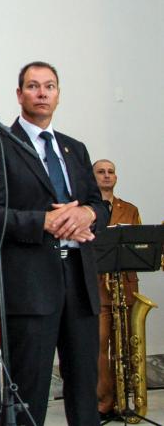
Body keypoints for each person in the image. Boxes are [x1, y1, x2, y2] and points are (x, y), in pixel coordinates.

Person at [0, 61, 108, 425]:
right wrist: (44, 222)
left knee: (84, 385)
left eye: (49, 86)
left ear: (58, 95)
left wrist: (87, 216)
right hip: (30, 285)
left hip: (79, 281)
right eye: (33, 86)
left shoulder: (74, 149)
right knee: (28, 391)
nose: (42, 93)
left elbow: (98, 204)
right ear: (19, 95)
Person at [92, 158, 143, 419]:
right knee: (100, 347)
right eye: (101, 172)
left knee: (126, 347)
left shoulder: (130, 209)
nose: (107, 175)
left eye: (111, 172)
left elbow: (140, 248)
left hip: (125, 287)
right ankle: (104, 403)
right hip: (98, 288)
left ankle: (127, 401)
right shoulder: (86, 209)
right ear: (93, 177)